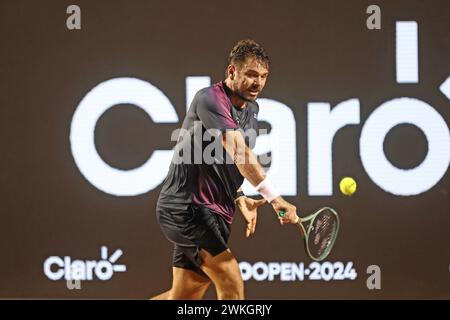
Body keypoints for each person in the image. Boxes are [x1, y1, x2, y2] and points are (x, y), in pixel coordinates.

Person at [151, 39, 298, 300]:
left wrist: (239, 196)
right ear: (232, 72)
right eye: (251, 74)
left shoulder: (251, 110)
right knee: (231, 282)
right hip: (186, 208)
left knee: (182, 298)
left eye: (264, 76)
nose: (258, 83)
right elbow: (239, 152)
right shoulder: (209, 98)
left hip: (217, 214)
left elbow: (227, 160)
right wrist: (275, 200)